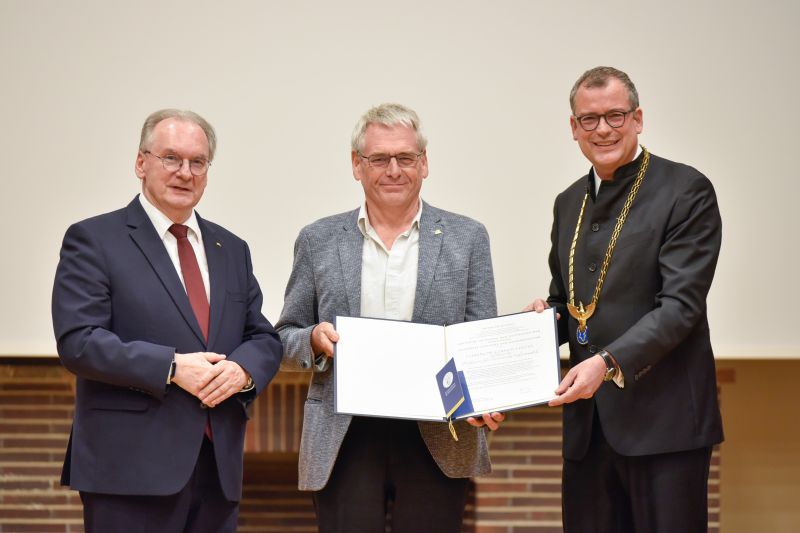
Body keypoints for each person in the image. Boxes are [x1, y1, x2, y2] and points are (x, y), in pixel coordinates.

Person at [51, 109, 283, 533]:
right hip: (128, 470)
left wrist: (243, 370)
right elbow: (79, 341)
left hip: (217, 469)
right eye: (171, 158)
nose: (185, 172)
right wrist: (172, 367)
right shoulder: (95, 239)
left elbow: (262, 336)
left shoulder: (231, 248)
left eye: (198, 162)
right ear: (141, 163)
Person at [276, 103, 504, 533]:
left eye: (406, 157)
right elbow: (284, 336)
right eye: (379, 158)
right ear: (356, 165)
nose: (394, 170)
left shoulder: (468, 238)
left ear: (424, 163)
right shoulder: (318, 239)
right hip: (345, 433)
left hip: (437, 434)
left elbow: (480, 341)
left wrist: (488, 395)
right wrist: (315, 340)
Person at [527, 66, 723, 532]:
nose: (603, 130)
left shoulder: (685, 190)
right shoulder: (568, 201)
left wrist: (606, 363)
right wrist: (537, 325)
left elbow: (680, 308)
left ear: (638, 118)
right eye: (589, 119)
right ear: (573, 127)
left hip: (665, 427)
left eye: (615, 116)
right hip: (588, 432)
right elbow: (571, 304)